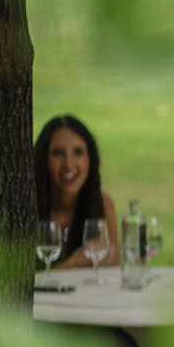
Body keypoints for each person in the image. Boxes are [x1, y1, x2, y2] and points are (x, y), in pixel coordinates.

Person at [34, 113, 120, 267]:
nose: (68, 165)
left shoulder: (103, 204)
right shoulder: (27, 209)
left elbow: (113, 267)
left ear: (90, 159)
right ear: (43, 160)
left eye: (78, 152)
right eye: (58, 153)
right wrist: (73, 263)